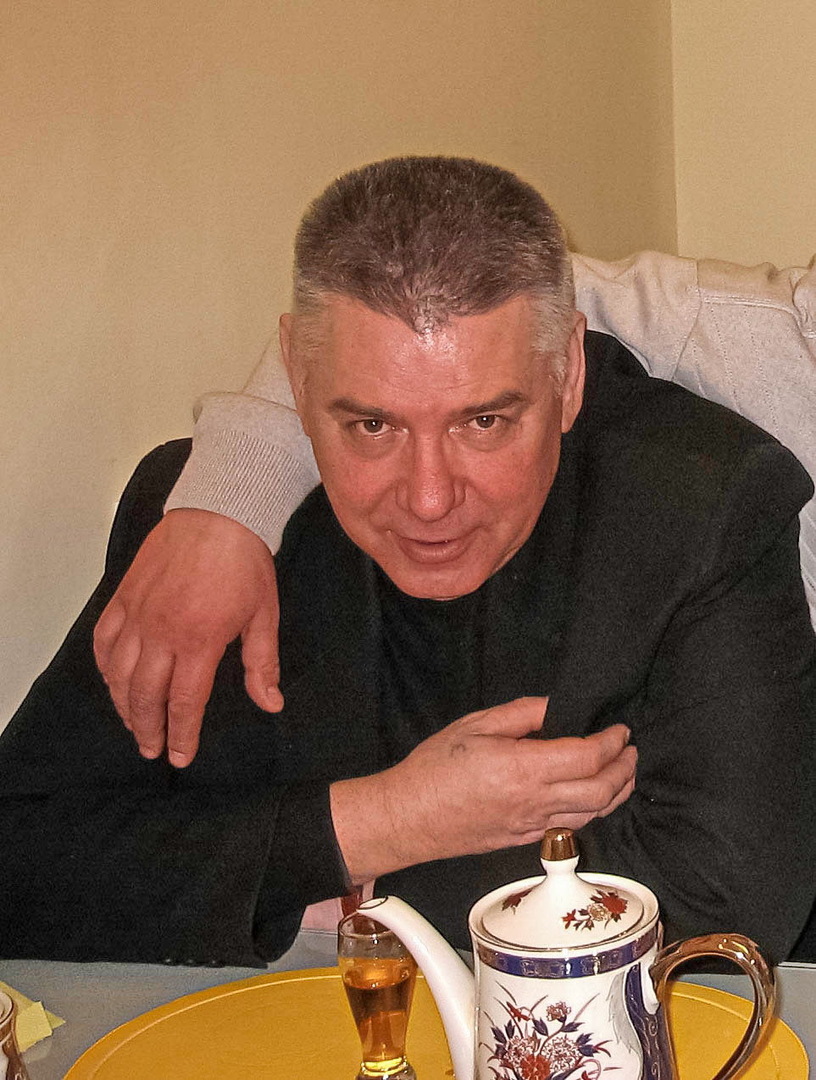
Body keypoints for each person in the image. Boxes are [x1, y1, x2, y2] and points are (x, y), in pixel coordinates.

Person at [1, 156, 814, 969]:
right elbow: (23, 862)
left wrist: (302, 885)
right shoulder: (207, 546)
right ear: (295, 376)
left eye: (484, 422)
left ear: (569, 375)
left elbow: (722, 907)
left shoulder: (702, 508)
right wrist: (383, 823)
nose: (428, 498)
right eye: (373, 427)